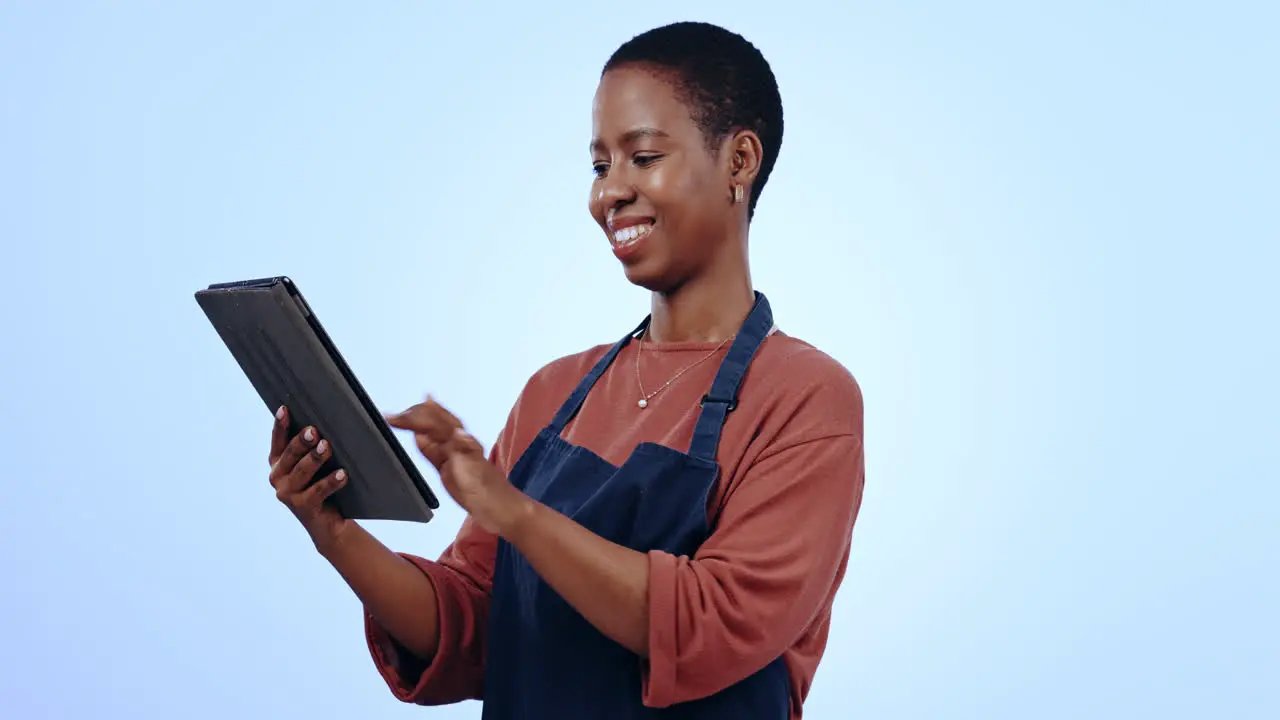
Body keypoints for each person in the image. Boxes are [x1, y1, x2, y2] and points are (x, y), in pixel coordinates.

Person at [266, 21, 864, 719]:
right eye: (599, 166)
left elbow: (713, 624)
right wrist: (334, 530)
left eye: (642, 157)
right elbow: (472, 627)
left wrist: (513, 512)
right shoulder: (556, 394)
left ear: (739, 161)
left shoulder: (805, 397)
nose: (608, 194)